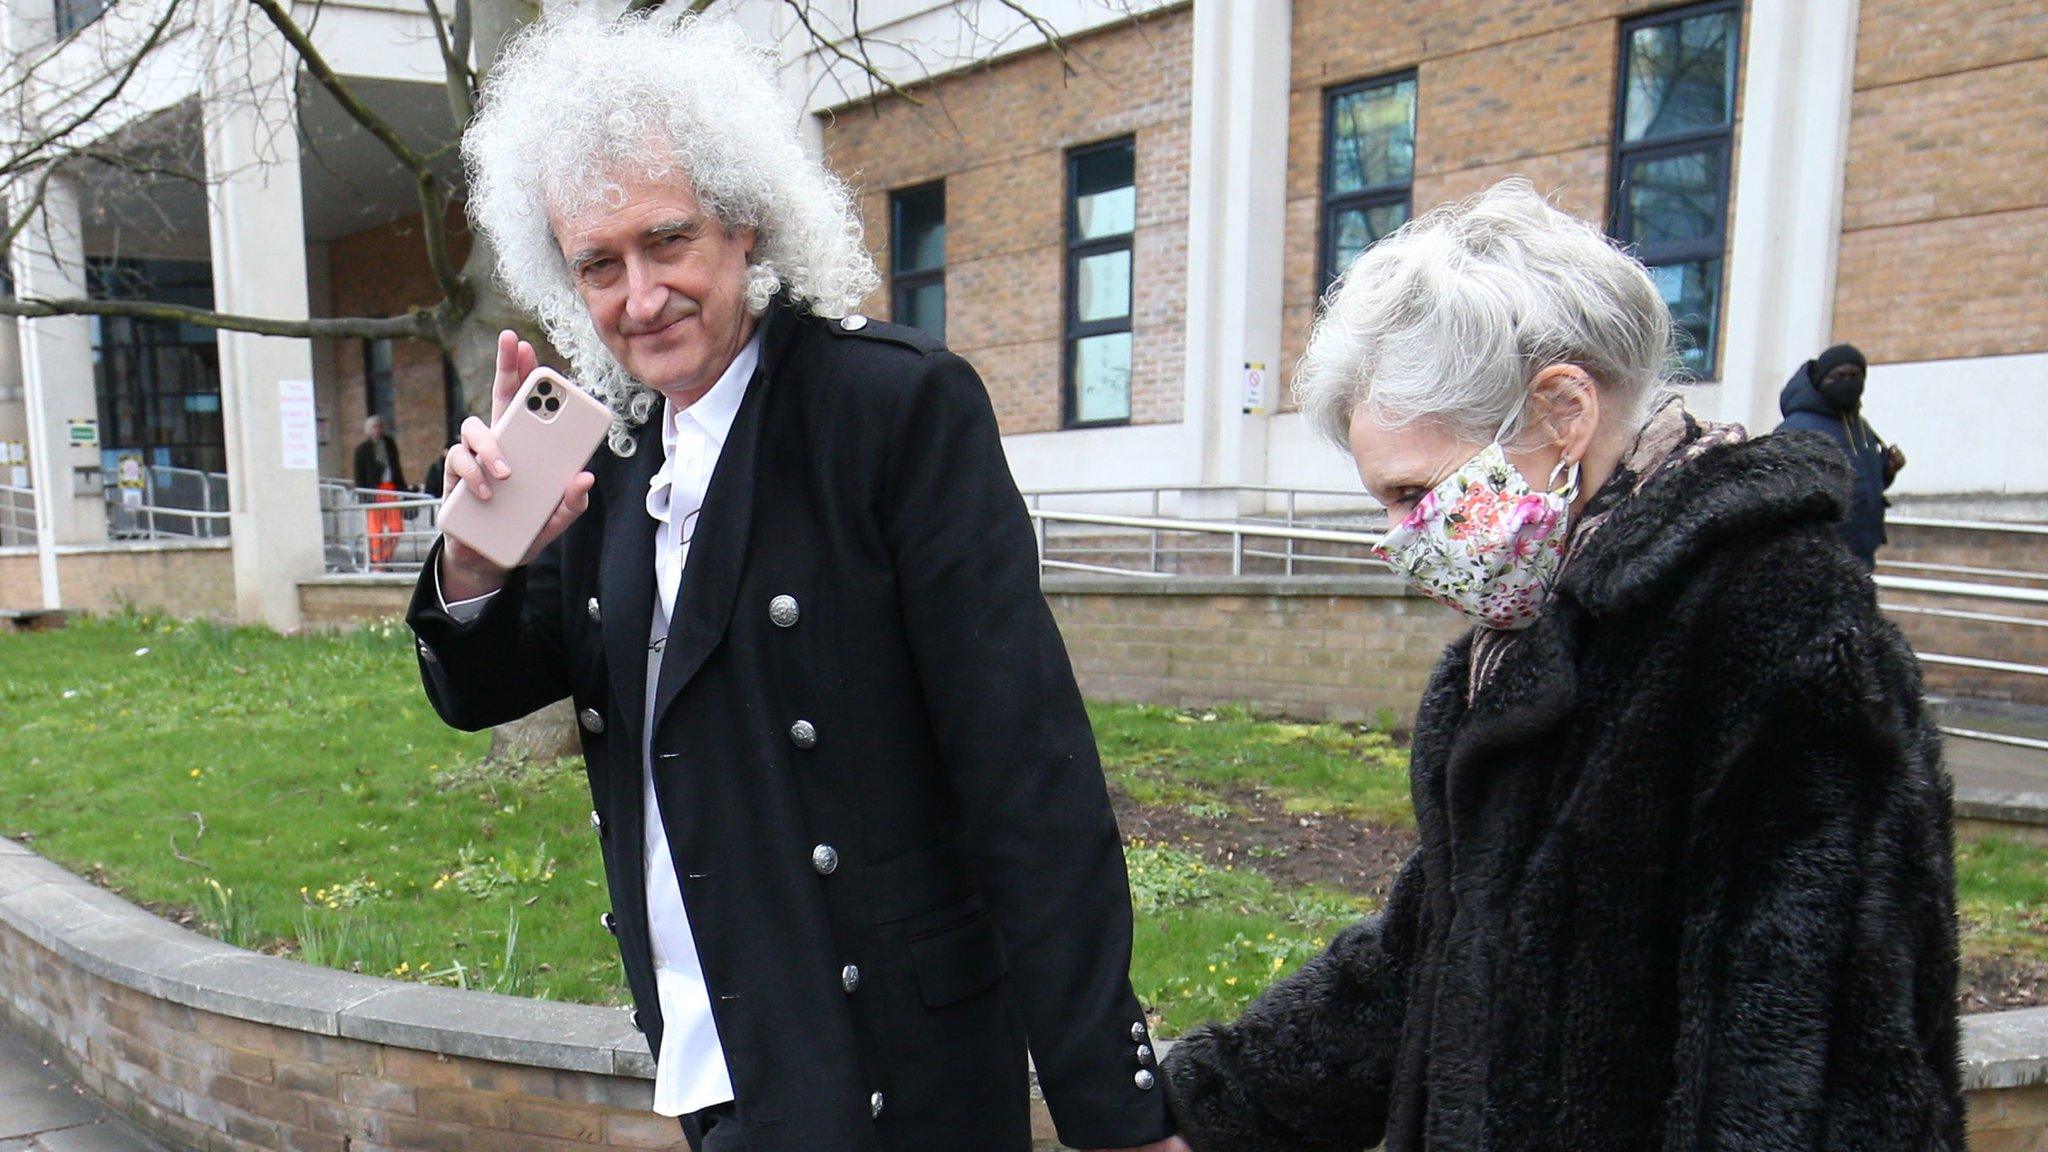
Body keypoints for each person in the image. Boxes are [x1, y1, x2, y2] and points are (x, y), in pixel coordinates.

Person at [407, 12, 1174, 1152]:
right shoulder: (611, 456)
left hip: (886, 1062)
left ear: (742, 218)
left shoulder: (889, 408)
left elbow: (1025, 770)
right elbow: (479, 687)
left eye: (667, 241)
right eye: (598, 264)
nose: (639, 294)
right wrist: (475, 557)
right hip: (711, 1048)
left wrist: (1114, 1107)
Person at [1159, 180, 1963, 1151]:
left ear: (1562, 412)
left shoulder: (1770, 629)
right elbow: (1427, 961)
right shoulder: (1528, 656)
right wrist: (1203, 1105)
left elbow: (1814, 1067)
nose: (1395, 539)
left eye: (1412, 491)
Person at [1775, 342, 1904, 568]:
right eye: (1839, 376)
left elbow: (1865, 482)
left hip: (1860, 555)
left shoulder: (1860, 427)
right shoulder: (1798, 429)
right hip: (1817, 559)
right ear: (1820, 381)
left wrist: (1887, 470)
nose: (1848, 382)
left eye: (1855, 376)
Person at [352, 415, 407, 566]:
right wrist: (363, 495)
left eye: (379, 426)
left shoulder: (389, 444)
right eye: (374, 427)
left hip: (391, 489)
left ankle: (385, 556)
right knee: (375, 530)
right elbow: (359, 475)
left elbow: (397, 467)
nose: (377, 430)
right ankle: (377, 562)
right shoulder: (362, 450)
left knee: (397, 528)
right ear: (368, 431)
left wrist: (403, 488)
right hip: (373, 492)